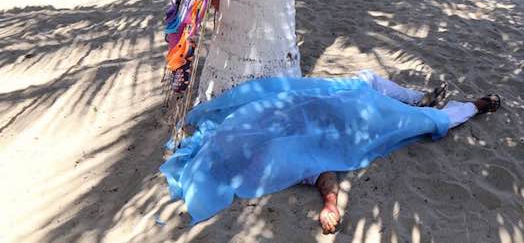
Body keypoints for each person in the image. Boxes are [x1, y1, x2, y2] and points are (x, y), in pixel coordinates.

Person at [160, 70, 501, 233]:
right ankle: (471, 106)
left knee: (373, 83)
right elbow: (322, 174)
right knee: (418, 122)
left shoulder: (233, 131)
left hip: (336, 95)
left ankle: (415, 96)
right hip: (353, 119)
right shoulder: (269, 162)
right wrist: (329, 205)